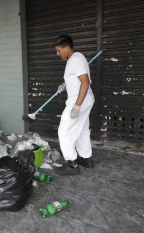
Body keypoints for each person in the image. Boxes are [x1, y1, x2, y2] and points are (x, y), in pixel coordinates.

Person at [54, 35, 95, 175]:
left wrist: (77, 106)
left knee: (64, 131)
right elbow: (77, 80)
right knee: (82, 129)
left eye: (59, 50)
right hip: (85, 99)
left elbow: (85, 82)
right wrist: (65, 85)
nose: (57, 54)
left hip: (79, 101)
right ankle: (86, 158)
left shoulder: (75, 59)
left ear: (67, 47)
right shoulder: (75, 59)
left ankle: (71, 164)